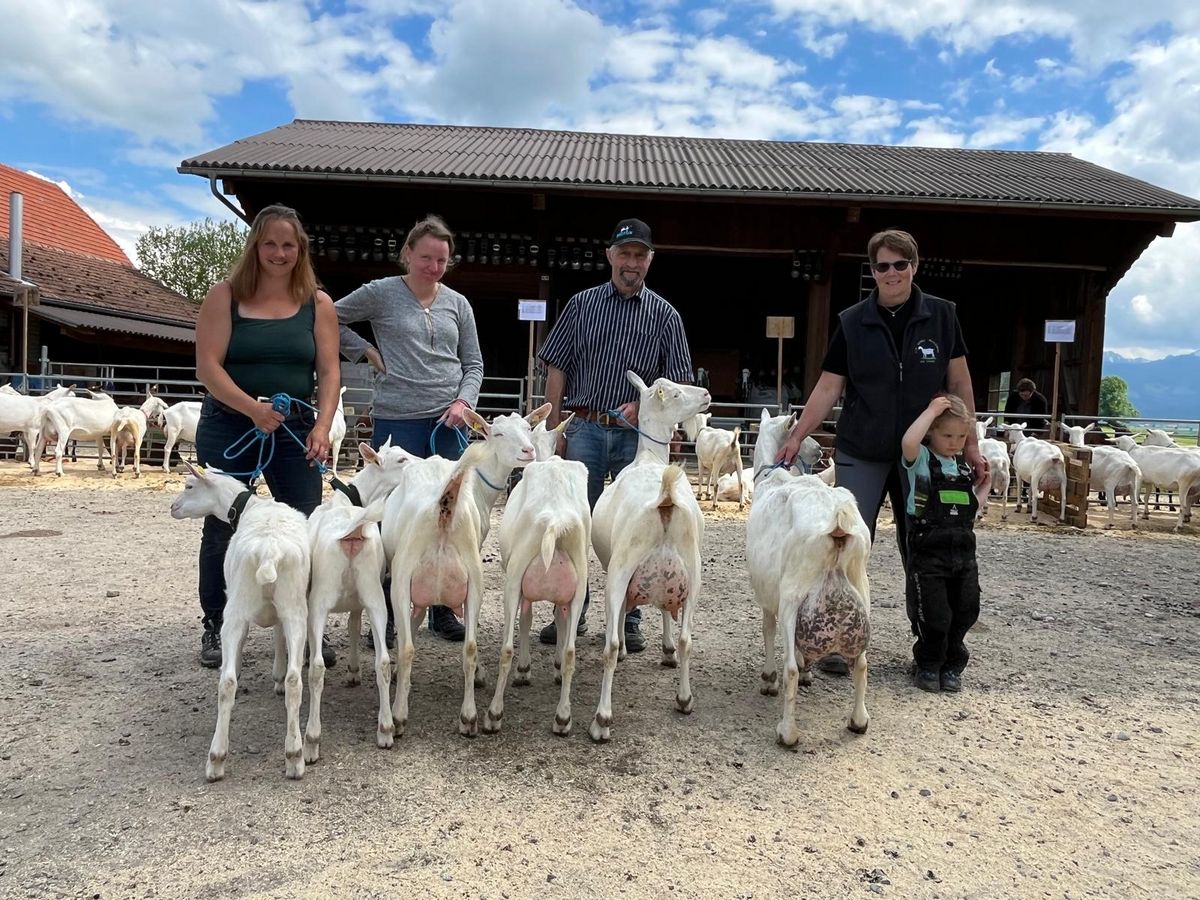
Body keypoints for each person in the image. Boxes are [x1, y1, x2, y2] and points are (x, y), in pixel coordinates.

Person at [777, 229, 987, 673]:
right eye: (882, 266)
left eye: (900, 264)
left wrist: (970, 443)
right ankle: (837, 641)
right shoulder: (853, 322)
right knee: (846, 543)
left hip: (924, 452)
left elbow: (959, 383)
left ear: (915, 266)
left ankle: (930, 649)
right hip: (863, 449)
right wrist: (797, 435)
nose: (891, 273)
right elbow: (829, 387)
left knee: (925, 549)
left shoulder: (943, 316)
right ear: (872, 271)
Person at [536, 217, 694, 652]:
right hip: (584, 428)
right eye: (624, 253)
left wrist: (643, 406)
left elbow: (677, 383)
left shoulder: (666, 315)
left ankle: (630, 618)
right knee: (574, 524)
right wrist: (554, 429)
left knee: (635, 527)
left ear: (650, 260)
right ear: (610, 255)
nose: (631, 263)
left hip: (635, 439)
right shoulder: (581, 305)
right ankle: (570, 610)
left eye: (640, 255)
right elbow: (556, 366)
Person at [193, 204, 341, 669]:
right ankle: (217, 622)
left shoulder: (318, 304)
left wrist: (322, 425)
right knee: (223, 524)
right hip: (231, 420)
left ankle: (306, 622)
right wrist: (252, 410)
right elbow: (208, 367)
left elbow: (329, 370)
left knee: (304, 524)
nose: (279, 253)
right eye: (270, 244)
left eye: (288, 245)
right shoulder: (225, 296)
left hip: (293, 424)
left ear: (301, 250)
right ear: (255, 246)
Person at [334, 214, 484, 643]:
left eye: (442, 260)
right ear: (408, 254)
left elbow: (473, 363)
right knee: (392, 519)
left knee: (447, 514)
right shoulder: (381, 293)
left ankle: (441, 608)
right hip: (397, 421)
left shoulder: (458, 304)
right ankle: (387, 610)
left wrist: (463, 402)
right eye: (426, 258)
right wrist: (363, 349)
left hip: (447, 423)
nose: (434, 267)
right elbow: (327, 316)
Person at [900, 394, 981, 693]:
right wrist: (931, 410)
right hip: (928, 551)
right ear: (932, 431)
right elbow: (909, 442)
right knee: (934, 613)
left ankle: (952, 666)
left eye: (961, 436)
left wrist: (984, 489)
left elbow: (971, 509)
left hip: (963, 553)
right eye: (947, 435)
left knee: (966, 609)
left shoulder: (962, 468)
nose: (954, 443)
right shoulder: (921, 460)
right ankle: (928, 664)